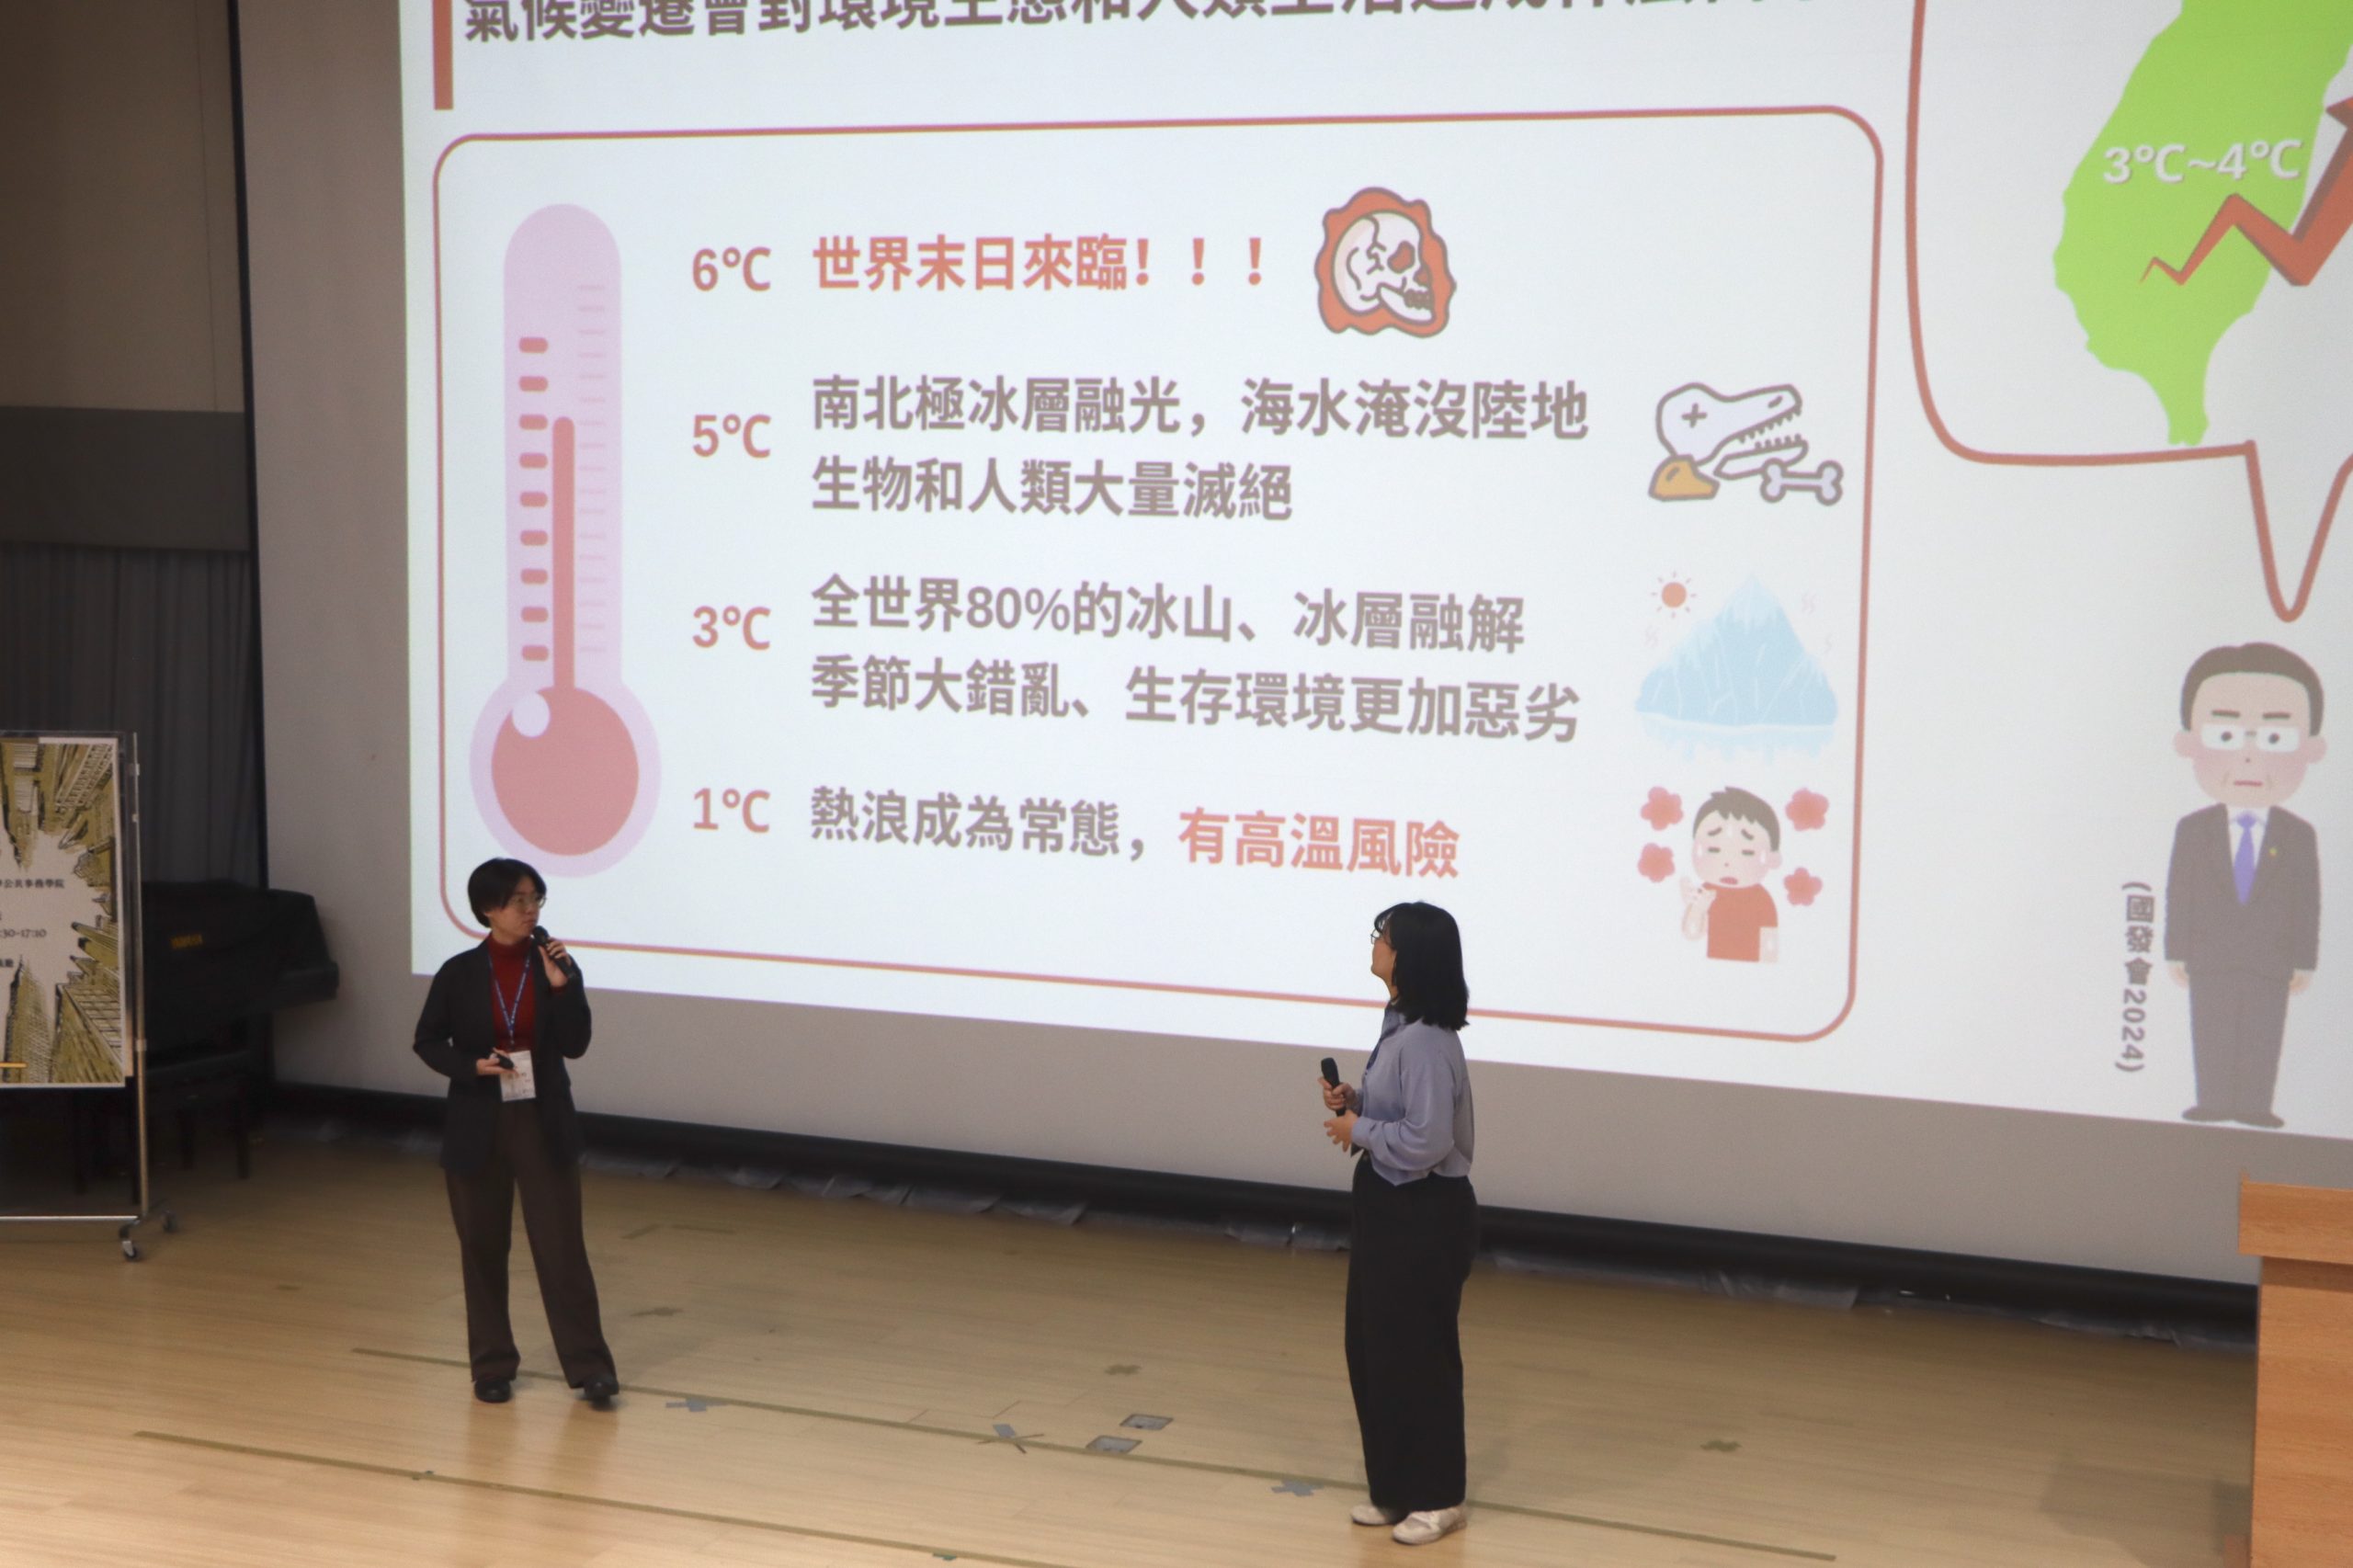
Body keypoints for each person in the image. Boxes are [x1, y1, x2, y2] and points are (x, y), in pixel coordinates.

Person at [413, 858, 620, 1406]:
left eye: (536, 898)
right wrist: (470, 1066)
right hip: (478, 1117)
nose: (530, 910)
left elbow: (576, 1044)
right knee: (482, 1246)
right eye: (518, 900)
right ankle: (492, 1366)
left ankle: (590, 1368)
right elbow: (427, 1040)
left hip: (541, 1117)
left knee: (561, 1247)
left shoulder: (556, 967)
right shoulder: (459, 972)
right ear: (488, 909)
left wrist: (563, 989)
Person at [1319, 902, 1478, 1548]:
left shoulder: (1428, 1041)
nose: (1376, 944)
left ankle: (1439, 1497)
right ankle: (1394, 1488)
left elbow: (1429, 1141)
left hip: (1424, 1213)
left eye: (1383, 936)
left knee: (1420, 1355)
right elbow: (1403, 1112)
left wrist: (1359, 1130)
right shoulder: (1400, 1025)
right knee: (1374, 1347)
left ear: (1408, 956)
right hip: (1387, 1203)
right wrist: (1357, 1102)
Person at [2165, 642, 2325, 1129]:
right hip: (2209, 953)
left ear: (2311, 749)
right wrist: (2176, 950)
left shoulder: (2298, 835)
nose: (2250, 756)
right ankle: (2213, 1100)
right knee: (2210, 1025)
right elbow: (2179, 893)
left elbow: (2307, 902)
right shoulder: (2193, 829)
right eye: (2227, 735)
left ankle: (2256, 1105)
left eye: (2275, 738)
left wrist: (2304, 959)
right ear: (2189, 743)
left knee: (2263, 1029)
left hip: (2269, 957)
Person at [1679, 787, 1782, 962]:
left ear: (1773, 859)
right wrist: (1697, 909)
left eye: (1747, 852)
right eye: (1713, 849)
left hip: (1753, 972)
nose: (1728, 863)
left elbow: (1769, 946)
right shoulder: (1707, 893)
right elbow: (1692, 933)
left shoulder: (1761, 899)